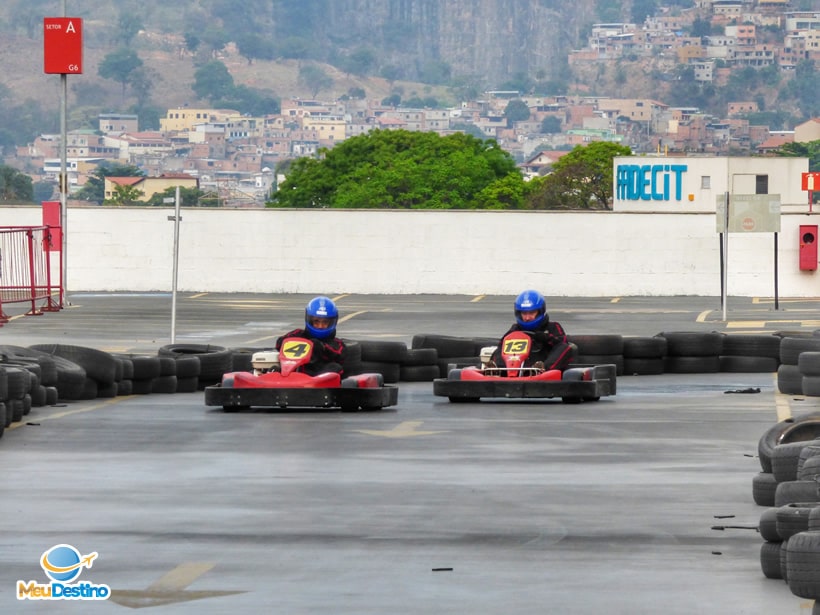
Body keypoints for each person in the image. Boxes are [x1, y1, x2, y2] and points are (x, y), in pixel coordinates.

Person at [489, 290, 575, 374]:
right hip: (518, 367)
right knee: (502, 346)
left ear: (540, 312)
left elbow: (563, 346)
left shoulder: (553, 327)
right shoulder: (515, 329)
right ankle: (498, 369)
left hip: (545, 369)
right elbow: (501, 346)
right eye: (524, 313)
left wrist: (545, 338)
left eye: (531, 313)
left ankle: (541, 369)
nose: (527, 318)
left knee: (563, 347)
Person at [276, 296, 347, 376]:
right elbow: (279, 344)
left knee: (335, 367)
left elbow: (338, 355)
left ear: (332, 322)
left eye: (325, 322)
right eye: (316, 321)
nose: (320, 326)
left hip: (319, 377)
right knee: (274, 369)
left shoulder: (338, 344)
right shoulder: (298, 334)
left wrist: (320, 347)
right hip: (294, 373)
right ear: (309, 320)